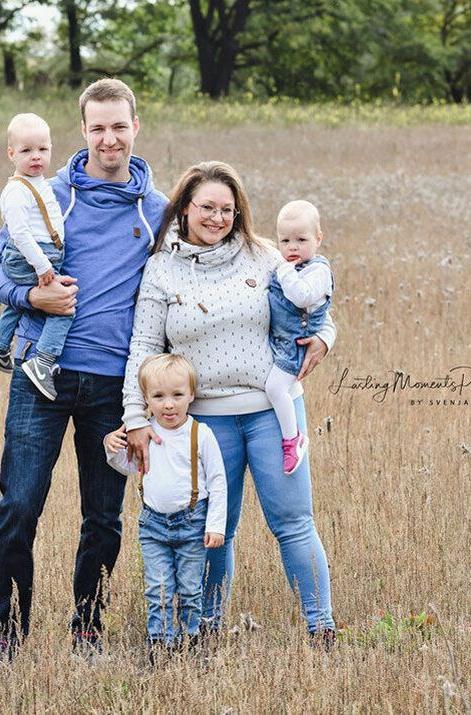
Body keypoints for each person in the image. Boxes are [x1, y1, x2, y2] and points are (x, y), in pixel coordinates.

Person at [0, 79, 169, 674]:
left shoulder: (158, 212)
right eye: (96, 128)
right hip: (42, 378)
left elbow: (217, 257)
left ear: (136, 128)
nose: (108, 138)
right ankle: (5, 641)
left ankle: (87, 633)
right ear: (81, 132)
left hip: (115, 389)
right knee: (20, 507)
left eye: (118, 126)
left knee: (104, 516)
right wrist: (34, 298)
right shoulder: (44, 195)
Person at [122, 161, 339, 642]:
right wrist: (135, 417)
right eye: (206, 207)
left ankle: (321, 626)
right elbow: (142, 348)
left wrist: (326, 338)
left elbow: (316, 306)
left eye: (227, 209)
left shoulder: (264, 257)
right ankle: (206, 628)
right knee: (214, 530)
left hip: (271, 413)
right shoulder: (160, 269)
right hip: (202, 423)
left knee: (294, 522)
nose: (217, 218)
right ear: (184, 208)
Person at [104, 353, 226, 662]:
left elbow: (218, 481)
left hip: (192, 523)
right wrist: (111, 449)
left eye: (176, 395)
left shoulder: (201, 434)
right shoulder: (145, 433)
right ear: (146, 399)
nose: (168, 404)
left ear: (191, 396)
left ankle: (190, 641)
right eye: (158, 397)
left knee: (189, 588)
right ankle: (159, 643)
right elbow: (126, 466)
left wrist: (215, 525)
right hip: (153, 526)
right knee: (157, 588)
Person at [0, 113, 71, 400]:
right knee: (63, 304)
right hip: (31, 257)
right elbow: (19, 234)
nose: (36, 157)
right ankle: (43, 360)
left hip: (40, 254)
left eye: (43, 150)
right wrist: (43, 266)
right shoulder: (16, 190)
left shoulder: (40, 183)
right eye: (26, 151)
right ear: (11, 154)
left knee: (17, 307)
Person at [264, 200, 334, 474]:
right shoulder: (289, 265)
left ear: (318, 238)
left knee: (275, 389)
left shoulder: (318, 271)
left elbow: (301, 296)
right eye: (285, 241)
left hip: (294, 345)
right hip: (278, 341)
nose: (292, 248)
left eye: (301, 240)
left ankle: (293, 438)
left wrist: (283, 270)